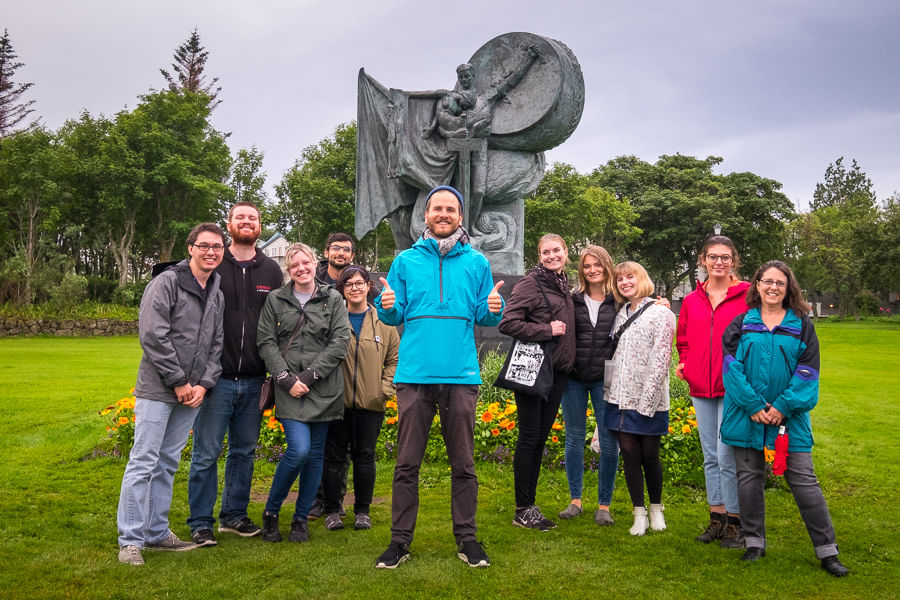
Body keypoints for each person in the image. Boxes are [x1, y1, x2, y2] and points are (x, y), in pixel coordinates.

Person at [373, 185, 504, 569]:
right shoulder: (405, 261)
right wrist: (388, 307)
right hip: (414, 376)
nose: (443, 214)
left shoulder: (477, 263)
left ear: (460, 217)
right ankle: (399, 542)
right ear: (425, 215)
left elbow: (485, 314)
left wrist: (495, 308)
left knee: (463, 464)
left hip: (461, 377)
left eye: (451, 209)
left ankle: (468, 540)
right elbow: (393, 317)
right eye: (437, 209)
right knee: (406, 464)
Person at [721, 260, 848, 576]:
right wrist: (753, 405)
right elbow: (731, 370)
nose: (773, 287)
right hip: (748, 417)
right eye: (767, 281)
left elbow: (808, 373)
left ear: (789, 287)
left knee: (804, 481)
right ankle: (754, 543)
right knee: (749, 480)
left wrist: (782, 406)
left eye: (780, 282)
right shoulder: (741, 324)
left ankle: (827, 551)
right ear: (757, 285)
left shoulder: (803, 325)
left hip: (788, 421)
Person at [116, 223, 226, 565]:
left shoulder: (217, 292)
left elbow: (216, 343)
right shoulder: (165, 283)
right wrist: (179, 381)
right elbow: (153, 335)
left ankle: (156, 532)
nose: (211, 252)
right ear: (190, 248)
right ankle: (130, 540)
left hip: (192, 392)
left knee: (166, 463)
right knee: (143, 461)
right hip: (158, 389)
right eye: (205, 246)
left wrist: (204, 384)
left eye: (217, 247)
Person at [187, 203, 283, 547]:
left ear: (260, 225)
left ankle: (233, 516)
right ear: (230, 224)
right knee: (206, 453)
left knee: (244, 451)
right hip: (217, 379)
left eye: (253, 218)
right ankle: (200, 522)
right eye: (240, 217)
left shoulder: (272, 271)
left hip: (256, 378)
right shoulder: (213, 264)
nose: (247, 222)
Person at [256, 243, 350, 543]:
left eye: (305, 262)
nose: (301, 268)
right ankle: (271, 513)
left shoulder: (332, 298)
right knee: (299, 450)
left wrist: (310, 375)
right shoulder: (276, 300)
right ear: (289, 269)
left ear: (314, 263)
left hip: (323, 388)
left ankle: (300, 519)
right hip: (289, 389)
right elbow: (266, 342)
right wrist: (286, 379)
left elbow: (340, 341)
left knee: (315, 457)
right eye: (294, 265)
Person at [675, 236, 749, 548]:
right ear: (703, 260)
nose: (718, 262)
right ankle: (716, 517)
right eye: (712, 257)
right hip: (700, 386)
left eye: (725, 257)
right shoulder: (693, 300)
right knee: (709, 455)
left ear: (734, 261)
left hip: (732, 386)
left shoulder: (747, 296)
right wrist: (685, 362)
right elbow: (684, 338)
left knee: (726, 454)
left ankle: (736, 521)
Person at [498, 233, 575, 531]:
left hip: (557, 374)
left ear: (566, 252)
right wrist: (547, 328)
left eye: (557, 250)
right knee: (529, 439)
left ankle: (529, 504)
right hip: (533, 371)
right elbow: (508, 322)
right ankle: (523, 508)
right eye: (546, 252)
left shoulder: (562, 283)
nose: (552, 256)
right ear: (539, 255)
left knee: (539, 440)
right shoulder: (532, 283)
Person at [320, 266, 400, 531]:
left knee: (365, 457)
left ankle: (362, 511)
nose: (354, 288)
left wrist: (384, 389)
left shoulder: (384, 321)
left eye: (359, 283)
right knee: (334, 458)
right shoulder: (333, 319)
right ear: (342, 290)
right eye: (348, 284)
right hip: (337, 402)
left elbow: (394, 360)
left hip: (371, 403)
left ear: (368, 287)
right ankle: (332, 509)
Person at [604, 261, 675, 536]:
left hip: (649, 399)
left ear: (641, 278)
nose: (625, 283)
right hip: (620, 399)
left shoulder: (661, 313)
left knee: (650, 455)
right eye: (620, 279)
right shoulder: (620, 313)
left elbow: (661, 359)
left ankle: (656, 507)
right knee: (630, 456)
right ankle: (639, 513)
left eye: (630, 277)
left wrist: (647, 402)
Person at [556, 245, 620, 526]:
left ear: (607, 266)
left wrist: (661, 304)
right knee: (573, 438)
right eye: (586, 266)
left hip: (606, 377)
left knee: (609, 442)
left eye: (597, 265)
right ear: (581, 270)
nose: (592, 270)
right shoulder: (572, 299)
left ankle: (604, 504)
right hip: (574, 377)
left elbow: (645, 308)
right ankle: (575, 500)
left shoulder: (619, 300)